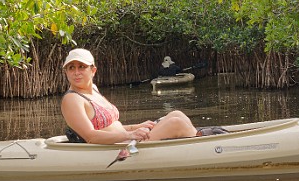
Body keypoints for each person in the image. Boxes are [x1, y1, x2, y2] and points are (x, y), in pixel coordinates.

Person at [61, 48, 197, 144]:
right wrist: (130, 135)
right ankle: (203, 148)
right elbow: (91, 136)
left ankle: (198, 141)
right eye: (71, 68)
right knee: (176, 123)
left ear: (93, 70)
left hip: (124, 139)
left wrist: (136, 127)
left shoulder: (94, 90)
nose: (76, 72)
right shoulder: (72, 99)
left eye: (81, 67)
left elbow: (111, 126)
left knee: (176, 114)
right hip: (116, 147)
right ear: (66, 72)